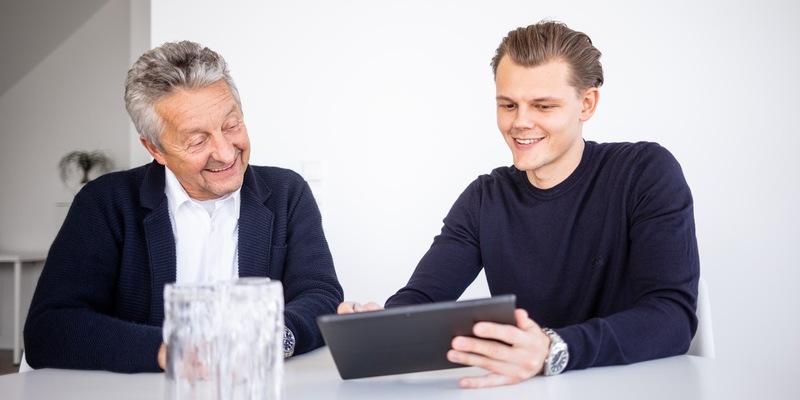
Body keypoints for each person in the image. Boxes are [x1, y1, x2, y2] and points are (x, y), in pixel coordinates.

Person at [339, 20, 700, 388]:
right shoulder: (485, 198)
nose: (520, 122)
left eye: (543, 105)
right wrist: (381, 326)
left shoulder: (645, 173)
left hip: (637, 387)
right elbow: (424, 298)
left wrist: (552, 349)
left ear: (586, 104)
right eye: (508, 104)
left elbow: (672, 318)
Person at [24, 41, 344, 372]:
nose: (225, 151)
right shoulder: (104, 203)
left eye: (231, 125)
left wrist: (271, 339)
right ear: (155, 149)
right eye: (197, 141)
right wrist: (172, 351)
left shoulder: (287, 193)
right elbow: (50, 329)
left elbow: (321, 297)